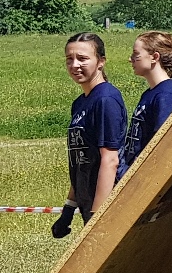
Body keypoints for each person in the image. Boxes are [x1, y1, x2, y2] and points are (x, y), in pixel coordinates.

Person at [54, 34, 125, 237]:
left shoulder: (105, 100)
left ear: (101, 61)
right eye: (69, 59)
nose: (74, 65)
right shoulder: (80, 102)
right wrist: (69, 208)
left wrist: (97, 216)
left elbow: (110, 160)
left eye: (82, 58)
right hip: (87, 201)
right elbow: (81, 160)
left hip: (107, 206)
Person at [117, 31, 172, 180]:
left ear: (154, 57)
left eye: (136, 54)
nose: (130, 59)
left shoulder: (166, 96)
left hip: (144, 178)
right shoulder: (151, 93)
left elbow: (162, 146)